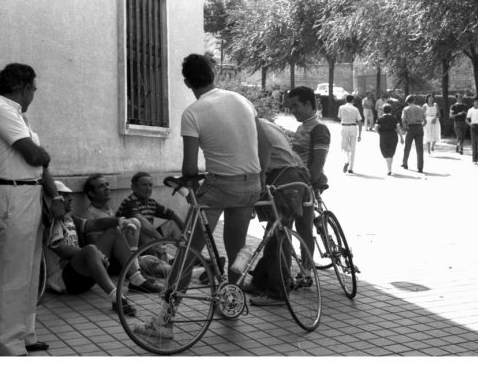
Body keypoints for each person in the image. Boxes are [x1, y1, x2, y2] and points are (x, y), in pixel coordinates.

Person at [134, 53, 269, 338]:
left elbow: (189, 168)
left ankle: (165, 323)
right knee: (236, 248)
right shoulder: (241, 100)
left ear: (187, 82)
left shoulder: (193, 112)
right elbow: (264, 143)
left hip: (220, 186)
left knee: (187, 251)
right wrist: (261, 178)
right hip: (252, 183)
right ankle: (230, 304)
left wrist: (187, 186)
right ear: (214, 74)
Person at [0, 63, 65, 355]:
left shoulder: (18, 116)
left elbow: (40, 164)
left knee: (29, 273)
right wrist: (45, 156)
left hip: (29, 194)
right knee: (14, 275)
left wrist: (54, 197)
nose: (34, 94)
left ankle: (26, 335)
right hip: (13, 196)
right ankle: (9, 345)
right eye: (34, 89)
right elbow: (34, 156)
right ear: (24, 87)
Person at [246, 112, 325, 306]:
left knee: (278, 237)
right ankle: (261, 281)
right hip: (293, 176)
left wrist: (256, 187)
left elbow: (261, 154)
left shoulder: (250, 126)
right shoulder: (266, 123)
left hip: (284, 179)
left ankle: (277, 292)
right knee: (275, 233)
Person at [44, 181, 140, 316]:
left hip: (82, 274)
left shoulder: (70, 219)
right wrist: (96, 254)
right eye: (64, 196)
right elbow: (61, 250)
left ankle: (137, 280)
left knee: (113, 231)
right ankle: (116, 298)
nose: (71, 199)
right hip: (64, 282)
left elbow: (94, 224)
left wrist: (120, 221)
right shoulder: (49, 223)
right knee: (90, 249)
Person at [81, 174, 142, 274]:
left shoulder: (108, 209)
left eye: (107, 184)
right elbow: (96, 247)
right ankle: (134, 267)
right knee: (133, 222)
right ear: (91, 193)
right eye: (101, 186)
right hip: (107, 261)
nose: (107, 188)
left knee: (150, 261)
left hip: (121, 254)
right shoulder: (89, 214)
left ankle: (135, 263)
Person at [116, 172, 185, 248]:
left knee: (171, 224)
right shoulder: (129, 202)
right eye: (144, 185)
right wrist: (161, 240)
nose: (148, 188)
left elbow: (172, 215)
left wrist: (187, 232)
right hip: (131, 243)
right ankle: (161, 255)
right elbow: (142, 222)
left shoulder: (151, 203)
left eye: (150, 185)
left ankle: (183, 254)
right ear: (134, 188)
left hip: (149, 240)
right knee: (143, 232)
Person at [375, 103, 404, 175]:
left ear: (383, 110)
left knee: (385, 152)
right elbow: (398, 128)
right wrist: (401, 137)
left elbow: (376, 128)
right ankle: (389, 169)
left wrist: (380, 133)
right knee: (391, 152)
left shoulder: (380, 118)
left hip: (383, 136)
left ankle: (389, 169)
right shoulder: (394, 118)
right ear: (390, 110)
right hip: (393, 136)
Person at [337, 94, 363, 174]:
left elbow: (339, 117)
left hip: (344, 126)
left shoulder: (341, 107)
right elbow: (359, 121)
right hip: (353, 127)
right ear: (353, 100)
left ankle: (346, 160)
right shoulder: (355, 109)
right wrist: (360, 134)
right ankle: (351, 168)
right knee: (353, 148)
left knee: (345, 147)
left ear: (346, 100)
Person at [401, 95, 426, 173]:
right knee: (420, 148)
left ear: (407, 102)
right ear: (414, 100)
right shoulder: (420, 108)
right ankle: (420, 167)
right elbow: (425, 121)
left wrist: (406, 128)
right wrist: (421, 126)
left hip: (410, 128)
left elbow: (403, 120)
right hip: (419, 127)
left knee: (407, 146)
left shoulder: (405, 109)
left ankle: (405, 163)